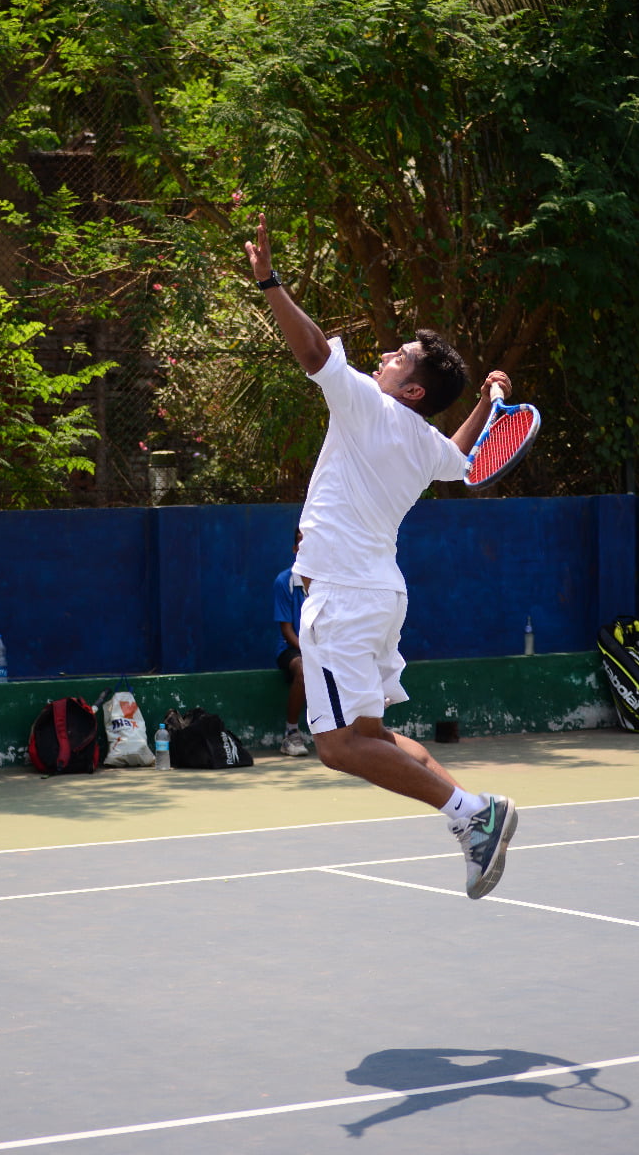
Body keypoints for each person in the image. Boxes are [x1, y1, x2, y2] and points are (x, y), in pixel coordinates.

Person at [244, 211, 518, 899]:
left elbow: (312, 354)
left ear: (411, 389)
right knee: (369, 734)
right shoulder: (425, 442)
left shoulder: (368, 405)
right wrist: (487, 400)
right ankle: (474, 815)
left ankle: (472, 814)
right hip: (377, 595)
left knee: (337, 747)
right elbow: (459, 458)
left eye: (397, 356)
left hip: (341, 596)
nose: (384, 356)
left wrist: (270, 282)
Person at [273, 528, 309, 757]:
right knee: (305, 670)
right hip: (292, 649)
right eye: (301, 542)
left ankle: (357, 731)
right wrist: (310, 651)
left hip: (324, 647)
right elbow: (286, 630)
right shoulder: (284, 581)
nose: (306, 546)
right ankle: (291, 734)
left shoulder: (329, 581)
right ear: (295, 549)